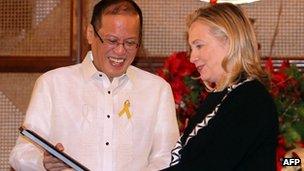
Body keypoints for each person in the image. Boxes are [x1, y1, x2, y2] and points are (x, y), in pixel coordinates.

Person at [9, 0, 179, 170]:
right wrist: (42, 162)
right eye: (112, 41)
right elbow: (21, 155)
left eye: (130, 43)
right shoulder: (52, 84)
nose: (120, 51)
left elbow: (166, 158)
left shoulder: (157, 90)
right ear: (90, 33)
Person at [163, 3, 278, 171]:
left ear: (229, 42)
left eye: (199, 46)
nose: (192, 57)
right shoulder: (224, 96)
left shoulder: (250, 100)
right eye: (191, 48)